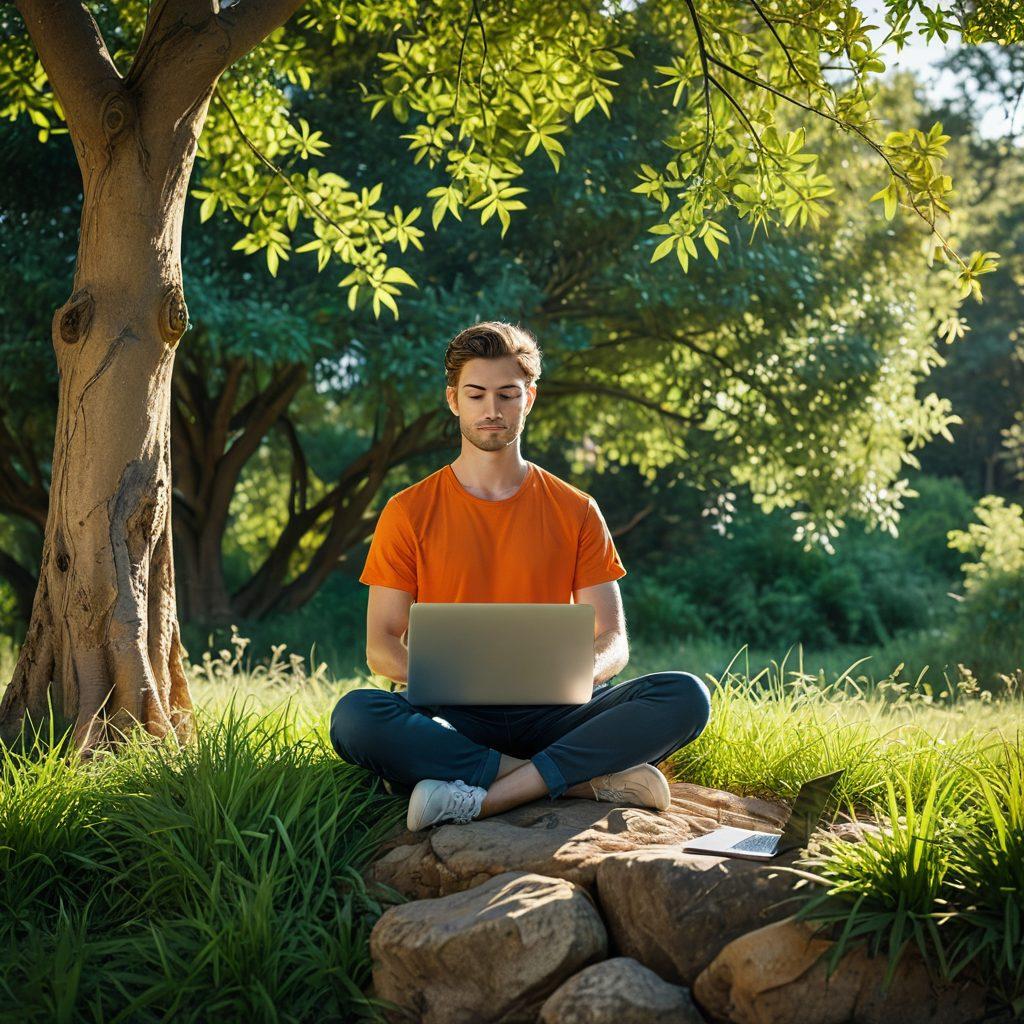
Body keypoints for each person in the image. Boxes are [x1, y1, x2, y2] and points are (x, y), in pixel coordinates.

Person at [329, 321, 712, 831]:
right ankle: (579, 782)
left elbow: (614, 639)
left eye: (507, 395)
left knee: (684, 695)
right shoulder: (408, 511)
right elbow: (380, 646)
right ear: (453, 400)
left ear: (529, 398)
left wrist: (574, 675)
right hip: (454, 715)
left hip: (556, 714)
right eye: (477, 394)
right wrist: (456, 679)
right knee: (356, 716)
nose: (492, 410)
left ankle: (478, 794)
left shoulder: (576, 510)